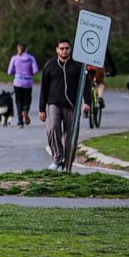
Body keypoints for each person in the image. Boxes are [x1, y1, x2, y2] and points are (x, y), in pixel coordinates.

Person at [38, 39, 91, 170]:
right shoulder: (50, 66)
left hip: (72, 105)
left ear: (70, 49)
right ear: (57, 50)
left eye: (67, 48)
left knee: (71, 135)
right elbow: (44, 88)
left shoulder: (78, 66)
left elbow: (85, 85)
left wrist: (87, 102)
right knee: (53, 127)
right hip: (54, 104)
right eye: (61, 48)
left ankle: (67, 164)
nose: (64, 51)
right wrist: (41, 109)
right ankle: (57, 158)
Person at [7, 42, 39, 127]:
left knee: (18, 101)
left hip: (17, 81)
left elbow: (9, 72)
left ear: (18, 49)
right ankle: (25, 110)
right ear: (26, 49)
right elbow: (35, 70)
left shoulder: (14, 58)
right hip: (28, 82)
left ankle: (20, 122)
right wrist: (30, 73)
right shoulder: (31, 58)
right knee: (27, 100)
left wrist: (16, 72)